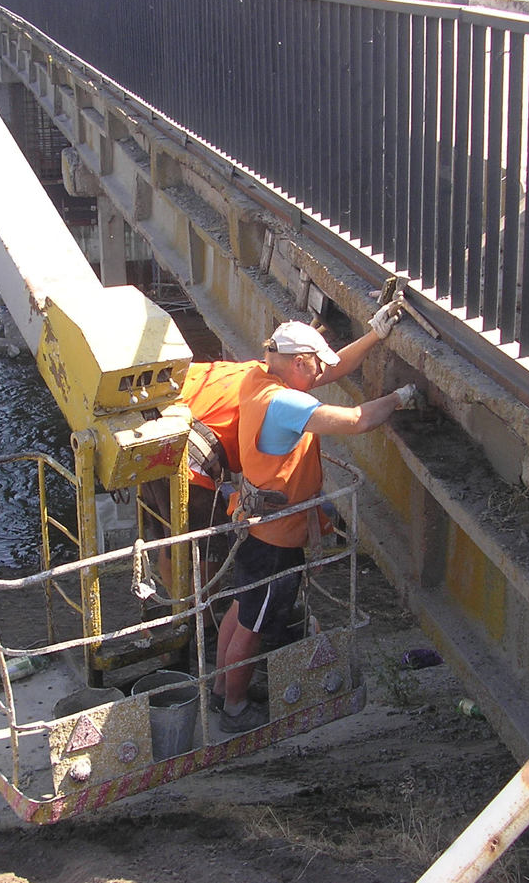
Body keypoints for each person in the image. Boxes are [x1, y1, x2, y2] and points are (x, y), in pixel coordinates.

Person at [215, 300, 417, 732]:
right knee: (254, 623)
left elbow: (328, 370)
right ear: (298, 362)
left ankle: (219, 690)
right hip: (276, 538)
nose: (319, 375)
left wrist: (374, 335)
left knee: (240, 608)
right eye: (314, 366)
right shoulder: (285, 405)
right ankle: (233, 709)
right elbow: (358, 421)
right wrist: (399, 398)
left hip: (253, 525)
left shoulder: (259, 375)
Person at [143, 359, 257, 586]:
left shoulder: (221, 369)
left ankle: (181, 611)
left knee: (170, 543)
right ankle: (202, 617)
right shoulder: (268, 394)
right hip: (192, 471)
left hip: (149, 446)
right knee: (205, 551)